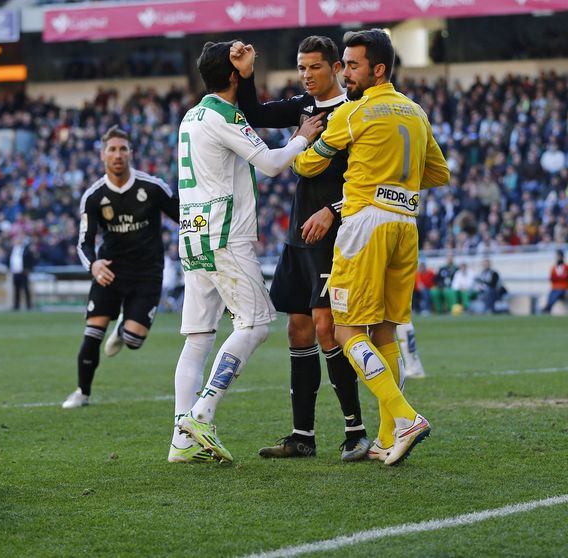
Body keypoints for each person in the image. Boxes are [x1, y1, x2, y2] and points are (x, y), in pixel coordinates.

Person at [294, 29, 450, 465]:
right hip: (405, 225)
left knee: (345, 330)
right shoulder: (416, 113)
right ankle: (385, 438)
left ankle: (405, 416)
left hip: (364, 224)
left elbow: (307, 165)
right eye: (343, 64)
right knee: (385, 330)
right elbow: (440, 174)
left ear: (378, 69)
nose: (345, 73)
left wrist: (305, 142)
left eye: (353, 65)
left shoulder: (353, 112)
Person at [170, 40, 324, 464]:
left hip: (193, 232)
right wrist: (300, 138)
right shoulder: (223, 115)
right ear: (234, 75)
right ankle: (201, 412)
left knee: (198, 338)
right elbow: (272, 163)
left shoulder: (191, 115)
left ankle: (181, 441)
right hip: (224, 235)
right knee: (256, 324)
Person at [229, 36, 369, 461]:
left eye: (315, 67)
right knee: (299, 329)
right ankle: (302, 437)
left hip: (336, 235)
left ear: (336, 69)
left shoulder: (355, 113)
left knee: (328, 326)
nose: (307, 75)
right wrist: (247, 73)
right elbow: (251, 112)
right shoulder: (303, 108)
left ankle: (356, 431)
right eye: (302, 67)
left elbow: (366, 181)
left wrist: (332, 209)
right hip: (298, 236)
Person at [62, 125, 180, 409]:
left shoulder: (152, 187)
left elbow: (181, 217)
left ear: (131, 153)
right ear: (103, 155)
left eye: (123, 149)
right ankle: (82, 392)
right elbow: (83, 243)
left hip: (147, 273)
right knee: (92, 333)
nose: (117, 154)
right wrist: (93, 265)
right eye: (112, 149)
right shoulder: (93, 196)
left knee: (134, 340)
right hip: (111, 271)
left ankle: (124, 328)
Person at [8, 234, 36, 310]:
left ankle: (29, 305)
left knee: (26, 289)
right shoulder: (12, 249)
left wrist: (29, 269)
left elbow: (31, 260)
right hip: (15, 272)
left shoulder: (26, 249)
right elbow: (9, 260)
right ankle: (16, 305)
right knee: (16, 289)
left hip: (23, 272)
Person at [542, 249, 568, 313]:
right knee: (551, 295)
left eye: (560, 256)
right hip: (555, 287)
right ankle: (548, 307)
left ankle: (548, 307)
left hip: (563, 288)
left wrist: (560, 277)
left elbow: (566, 277)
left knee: (557, 292)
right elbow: (552, 278)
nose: (559, 258)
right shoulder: (554, 267)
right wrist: (561, 277)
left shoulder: (566, 266)